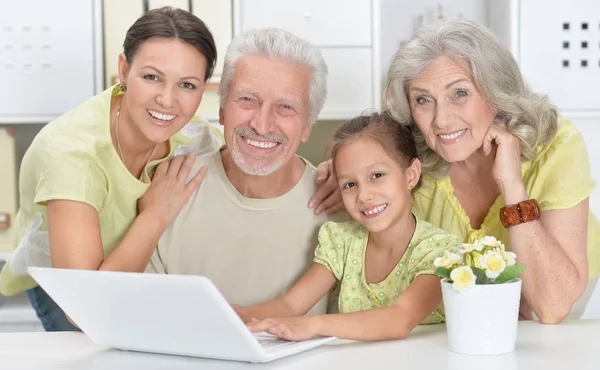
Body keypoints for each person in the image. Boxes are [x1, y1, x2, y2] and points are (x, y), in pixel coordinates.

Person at [0, 8, 339, 331]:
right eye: (152, 77)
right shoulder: (71, 154)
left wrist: (347, 178)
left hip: (130, 276)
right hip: (69, 286)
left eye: (187, 85)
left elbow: (253, 141)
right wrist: (155, 215)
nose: (167, 100)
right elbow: (85, 308)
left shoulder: (191, 136)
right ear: (123, 69)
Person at [381, 19, 599, 324]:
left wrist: (512, 184)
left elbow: (551, 305)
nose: (441, 120)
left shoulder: (556, 143)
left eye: (460, 93)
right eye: (423, 99)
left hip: (555, 302)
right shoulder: (409, 157)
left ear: (497, 91)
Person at [146, 27, 346, 314]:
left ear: (307, 127)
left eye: (286, 107)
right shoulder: (168, 187)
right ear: (223, 110)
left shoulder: (338, 207)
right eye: (248, 100)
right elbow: (142, 318)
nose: (262, 125)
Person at [235, 112, 461, 341]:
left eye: (377, 175)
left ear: (411, 175)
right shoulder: (342, 241)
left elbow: (399, 319)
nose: (363, 195)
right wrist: (240, 315)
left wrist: (314, 324)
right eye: (350, 184)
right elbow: (291, 306)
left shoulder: (440, 252)